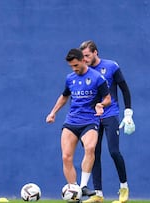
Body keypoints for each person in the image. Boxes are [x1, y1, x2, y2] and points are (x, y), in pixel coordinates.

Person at [46, 48, 111, 199]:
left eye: (76, 65)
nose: (74, 69)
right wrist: (53, 112)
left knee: (90, 147)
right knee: (66, 157)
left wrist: (101, 105)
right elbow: (64, 97)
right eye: (71, 66)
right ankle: (75, 193)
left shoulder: (97, 78)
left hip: (90, 120)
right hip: (72, 121)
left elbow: (107, 98)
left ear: (83, 60)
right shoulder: (70, 78)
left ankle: (83, 186)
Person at [79, 40, 134, 203]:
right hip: (93, 117)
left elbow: (124, 88)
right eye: (83, 56)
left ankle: (124, 187)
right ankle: (98, 194)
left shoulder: (111, 66)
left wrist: (128, 112)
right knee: (93, 153)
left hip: (111, 114)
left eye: (87, 55)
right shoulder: (84, 71)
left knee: (114, 151)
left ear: (96, 52)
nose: (85, 59)